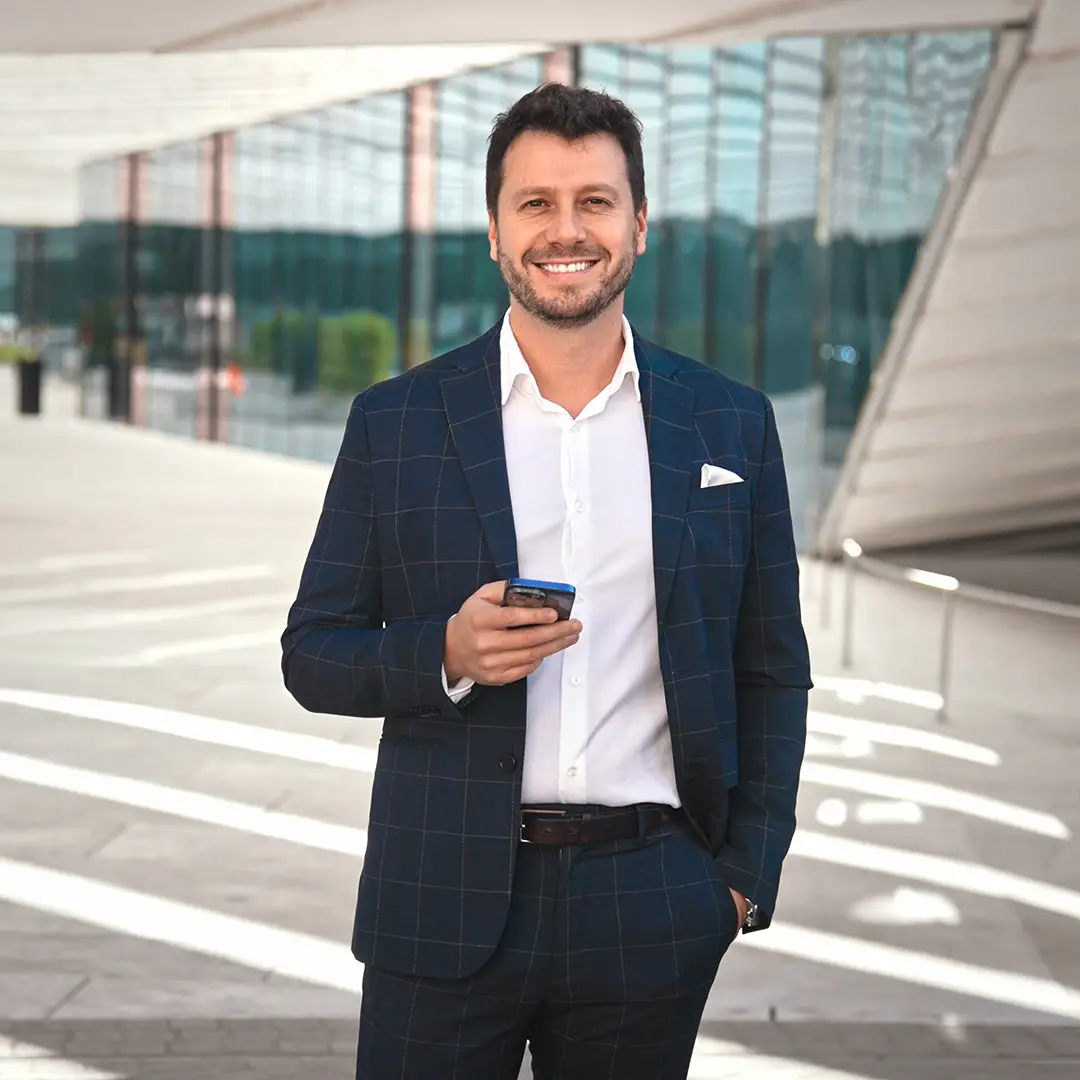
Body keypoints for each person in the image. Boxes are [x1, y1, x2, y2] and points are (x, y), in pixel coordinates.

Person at [282, 82, 811, 1080]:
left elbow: (772, 668)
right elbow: (312, 653)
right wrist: (442, 653)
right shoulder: (395, 423)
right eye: (535, 203)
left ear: (639, 225)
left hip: (652, 903)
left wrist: (741, 878)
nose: (565, 231)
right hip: (437, 899)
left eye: (595, 202)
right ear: (493, 231)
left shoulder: (731, 426)